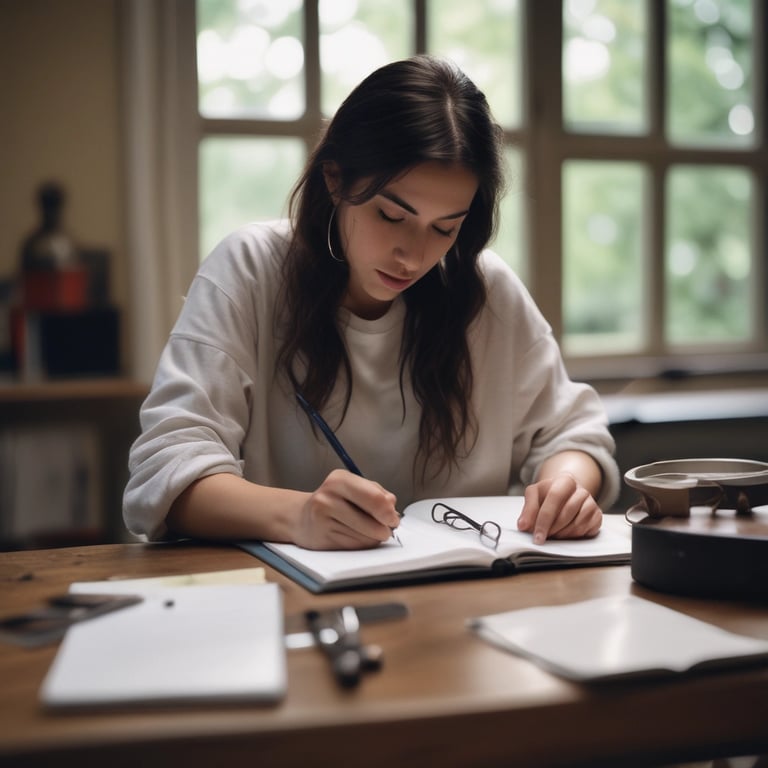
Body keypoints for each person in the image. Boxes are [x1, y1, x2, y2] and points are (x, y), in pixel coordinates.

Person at [124, 55, 620, 550]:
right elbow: (167, 470)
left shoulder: (484, 291)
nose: (413, 255)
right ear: (335, 179)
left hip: (461, 605)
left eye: (445, 228)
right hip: (289, 603)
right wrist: (298, 516)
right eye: (390, 215)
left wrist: (567, 486)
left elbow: (573, 433)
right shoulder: (251, 270)